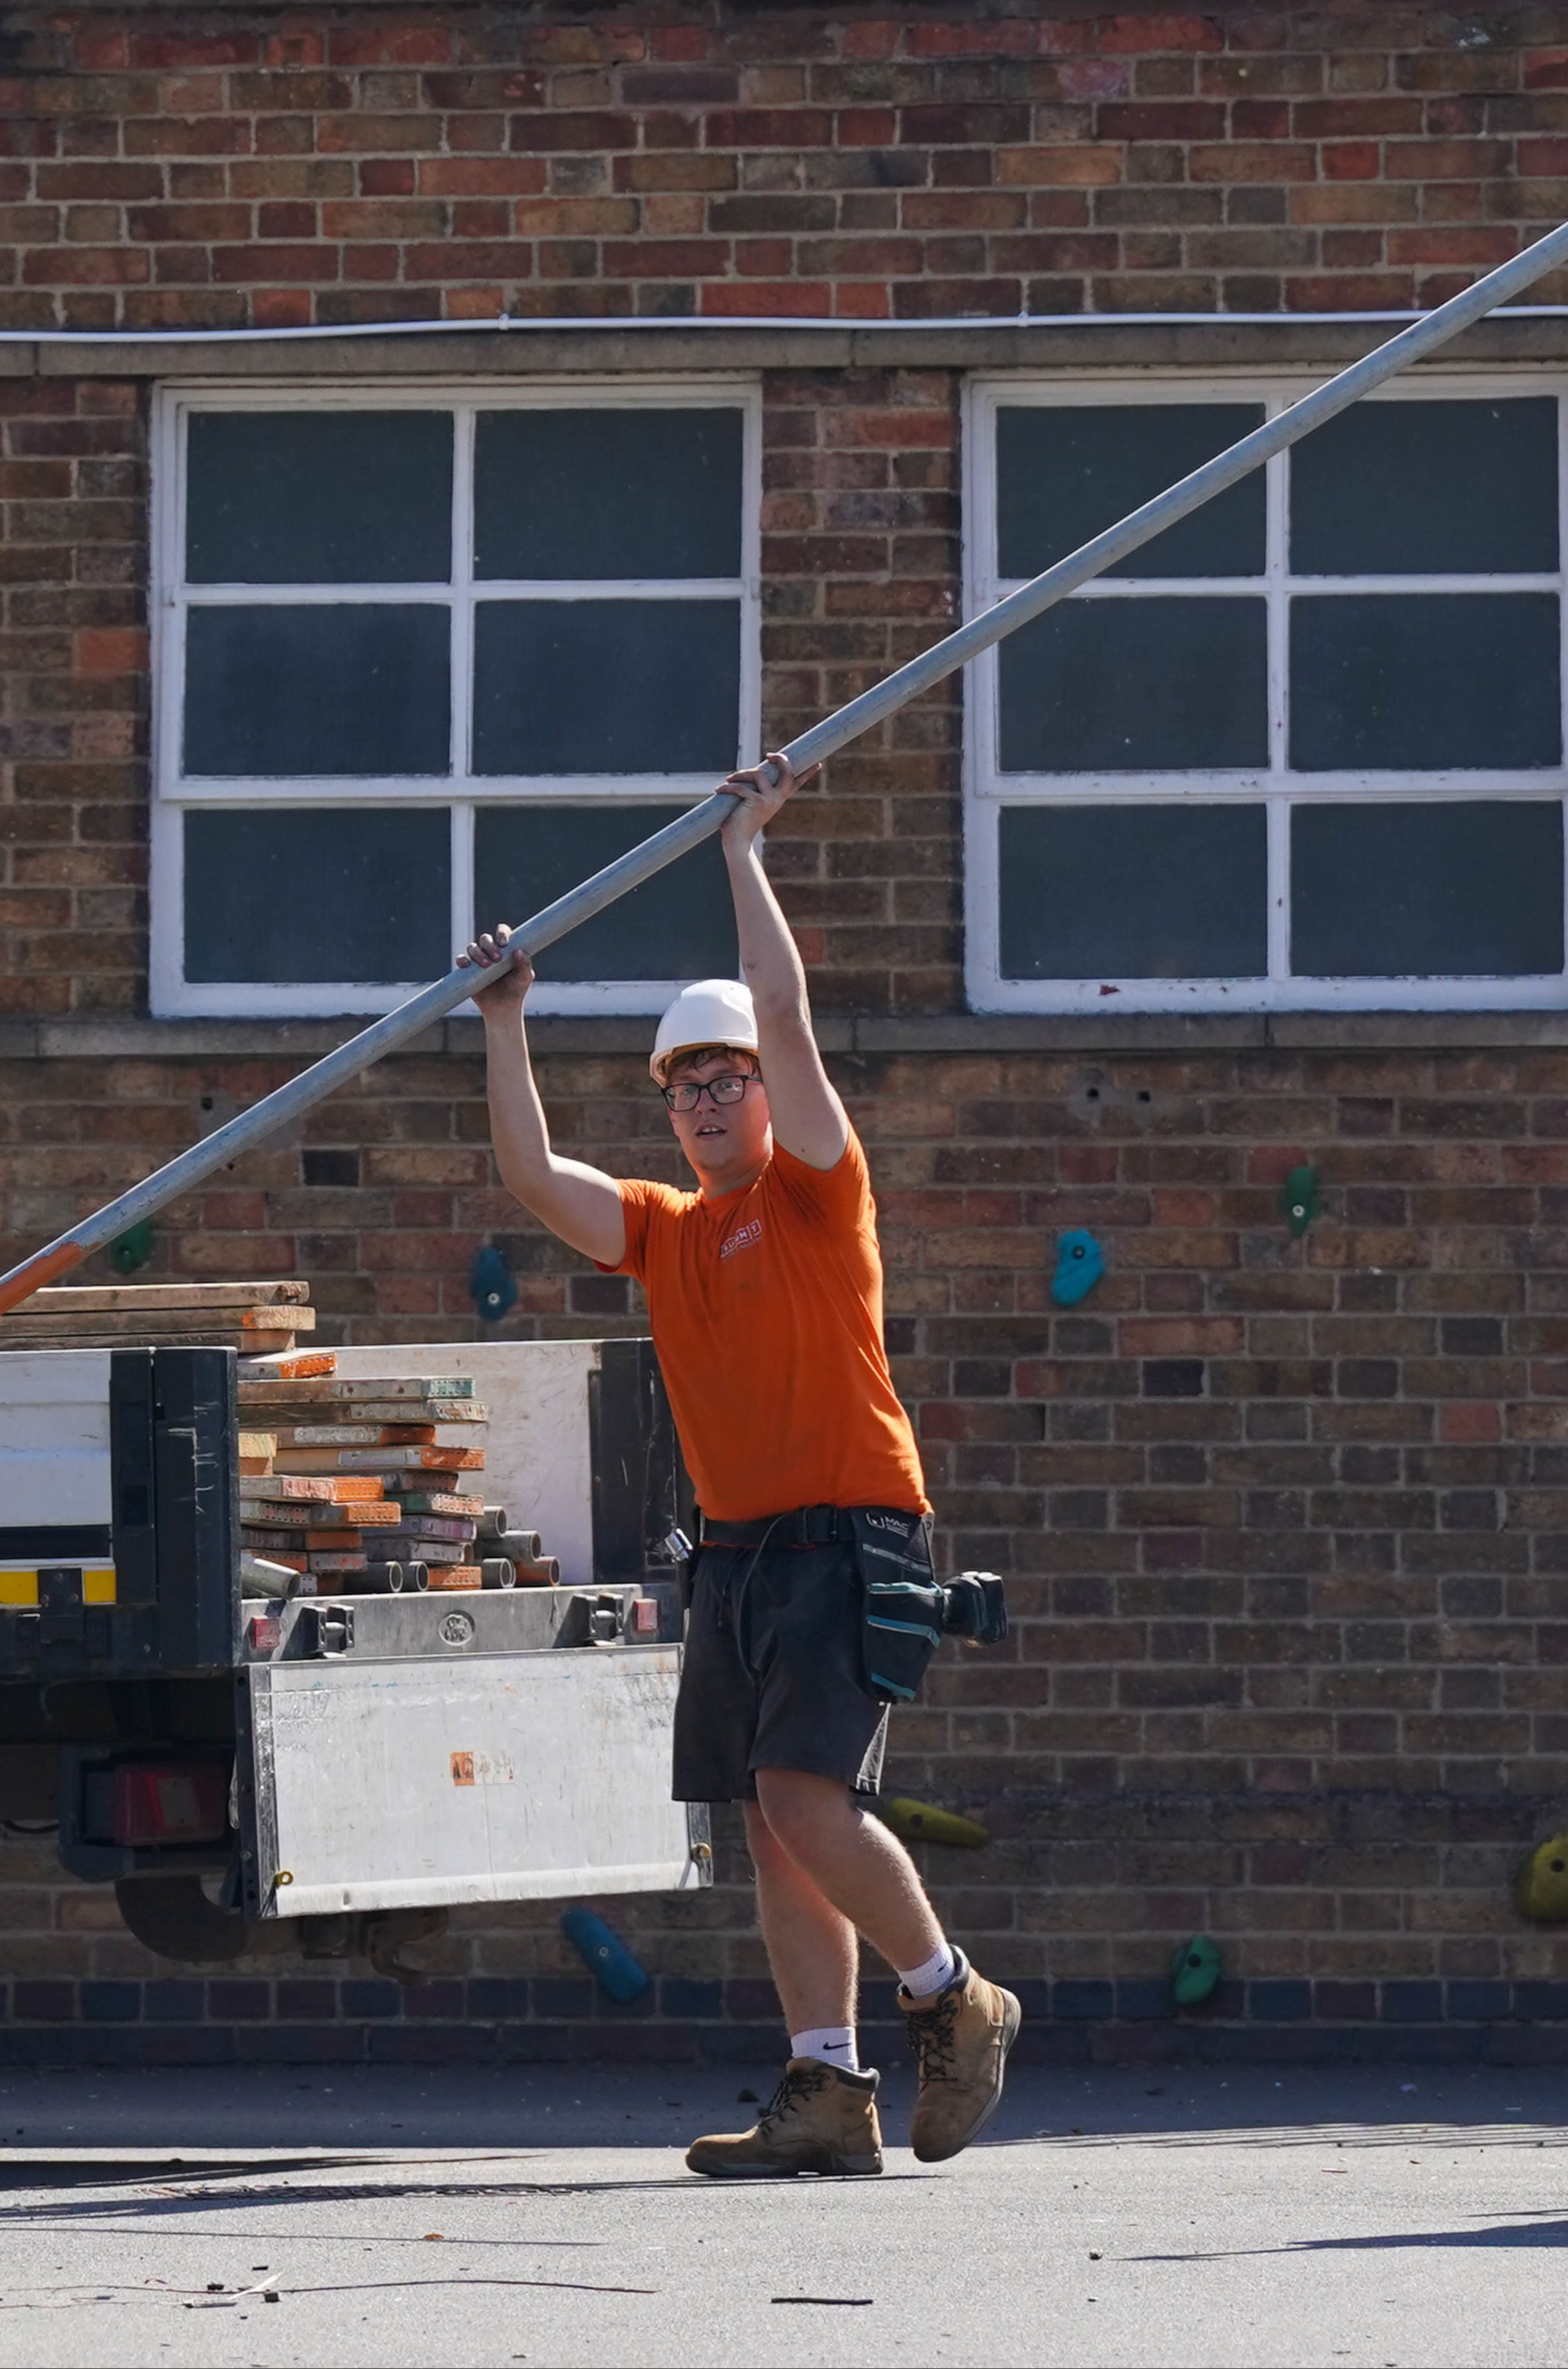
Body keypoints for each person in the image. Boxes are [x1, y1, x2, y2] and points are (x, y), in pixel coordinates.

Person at [457, 754, 1020, 2179]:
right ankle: (827, 2090)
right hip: (743, 1548)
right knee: (770, 1827)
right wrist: (506, 1019)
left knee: (802, 1801)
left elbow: (783, 1009)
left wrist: (742, 851)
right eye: (685, 1086)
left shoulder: (818, 1192)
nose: (708, 1098)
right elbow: (531, 1181)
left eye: (727, 1079)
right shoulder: (662, 1226)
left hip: (847, 1529)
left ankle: (955, 1997)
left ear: (769, 1093)